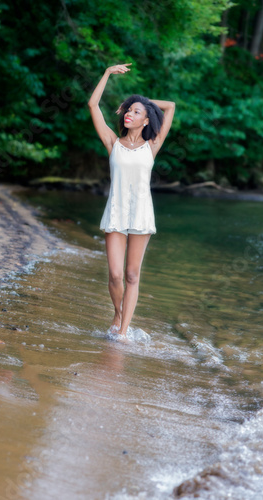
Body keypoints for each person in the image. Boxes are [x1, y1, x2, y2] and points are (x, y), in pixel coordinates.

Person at [88, 63, 175, 339]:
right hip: (115, 212)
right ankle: (117, 311)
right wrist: (106, 73)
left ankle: (123, 332)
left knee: (132, 276)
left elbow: (170, 106)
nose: (129, 113)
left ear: (146, 120)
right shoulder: (113, 142)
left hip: (141, 214)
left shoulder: (153, 145)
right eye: (128, 109)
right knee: (115, 275)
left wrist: (143, 101)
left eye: (136, 112)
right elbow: (93, 104)